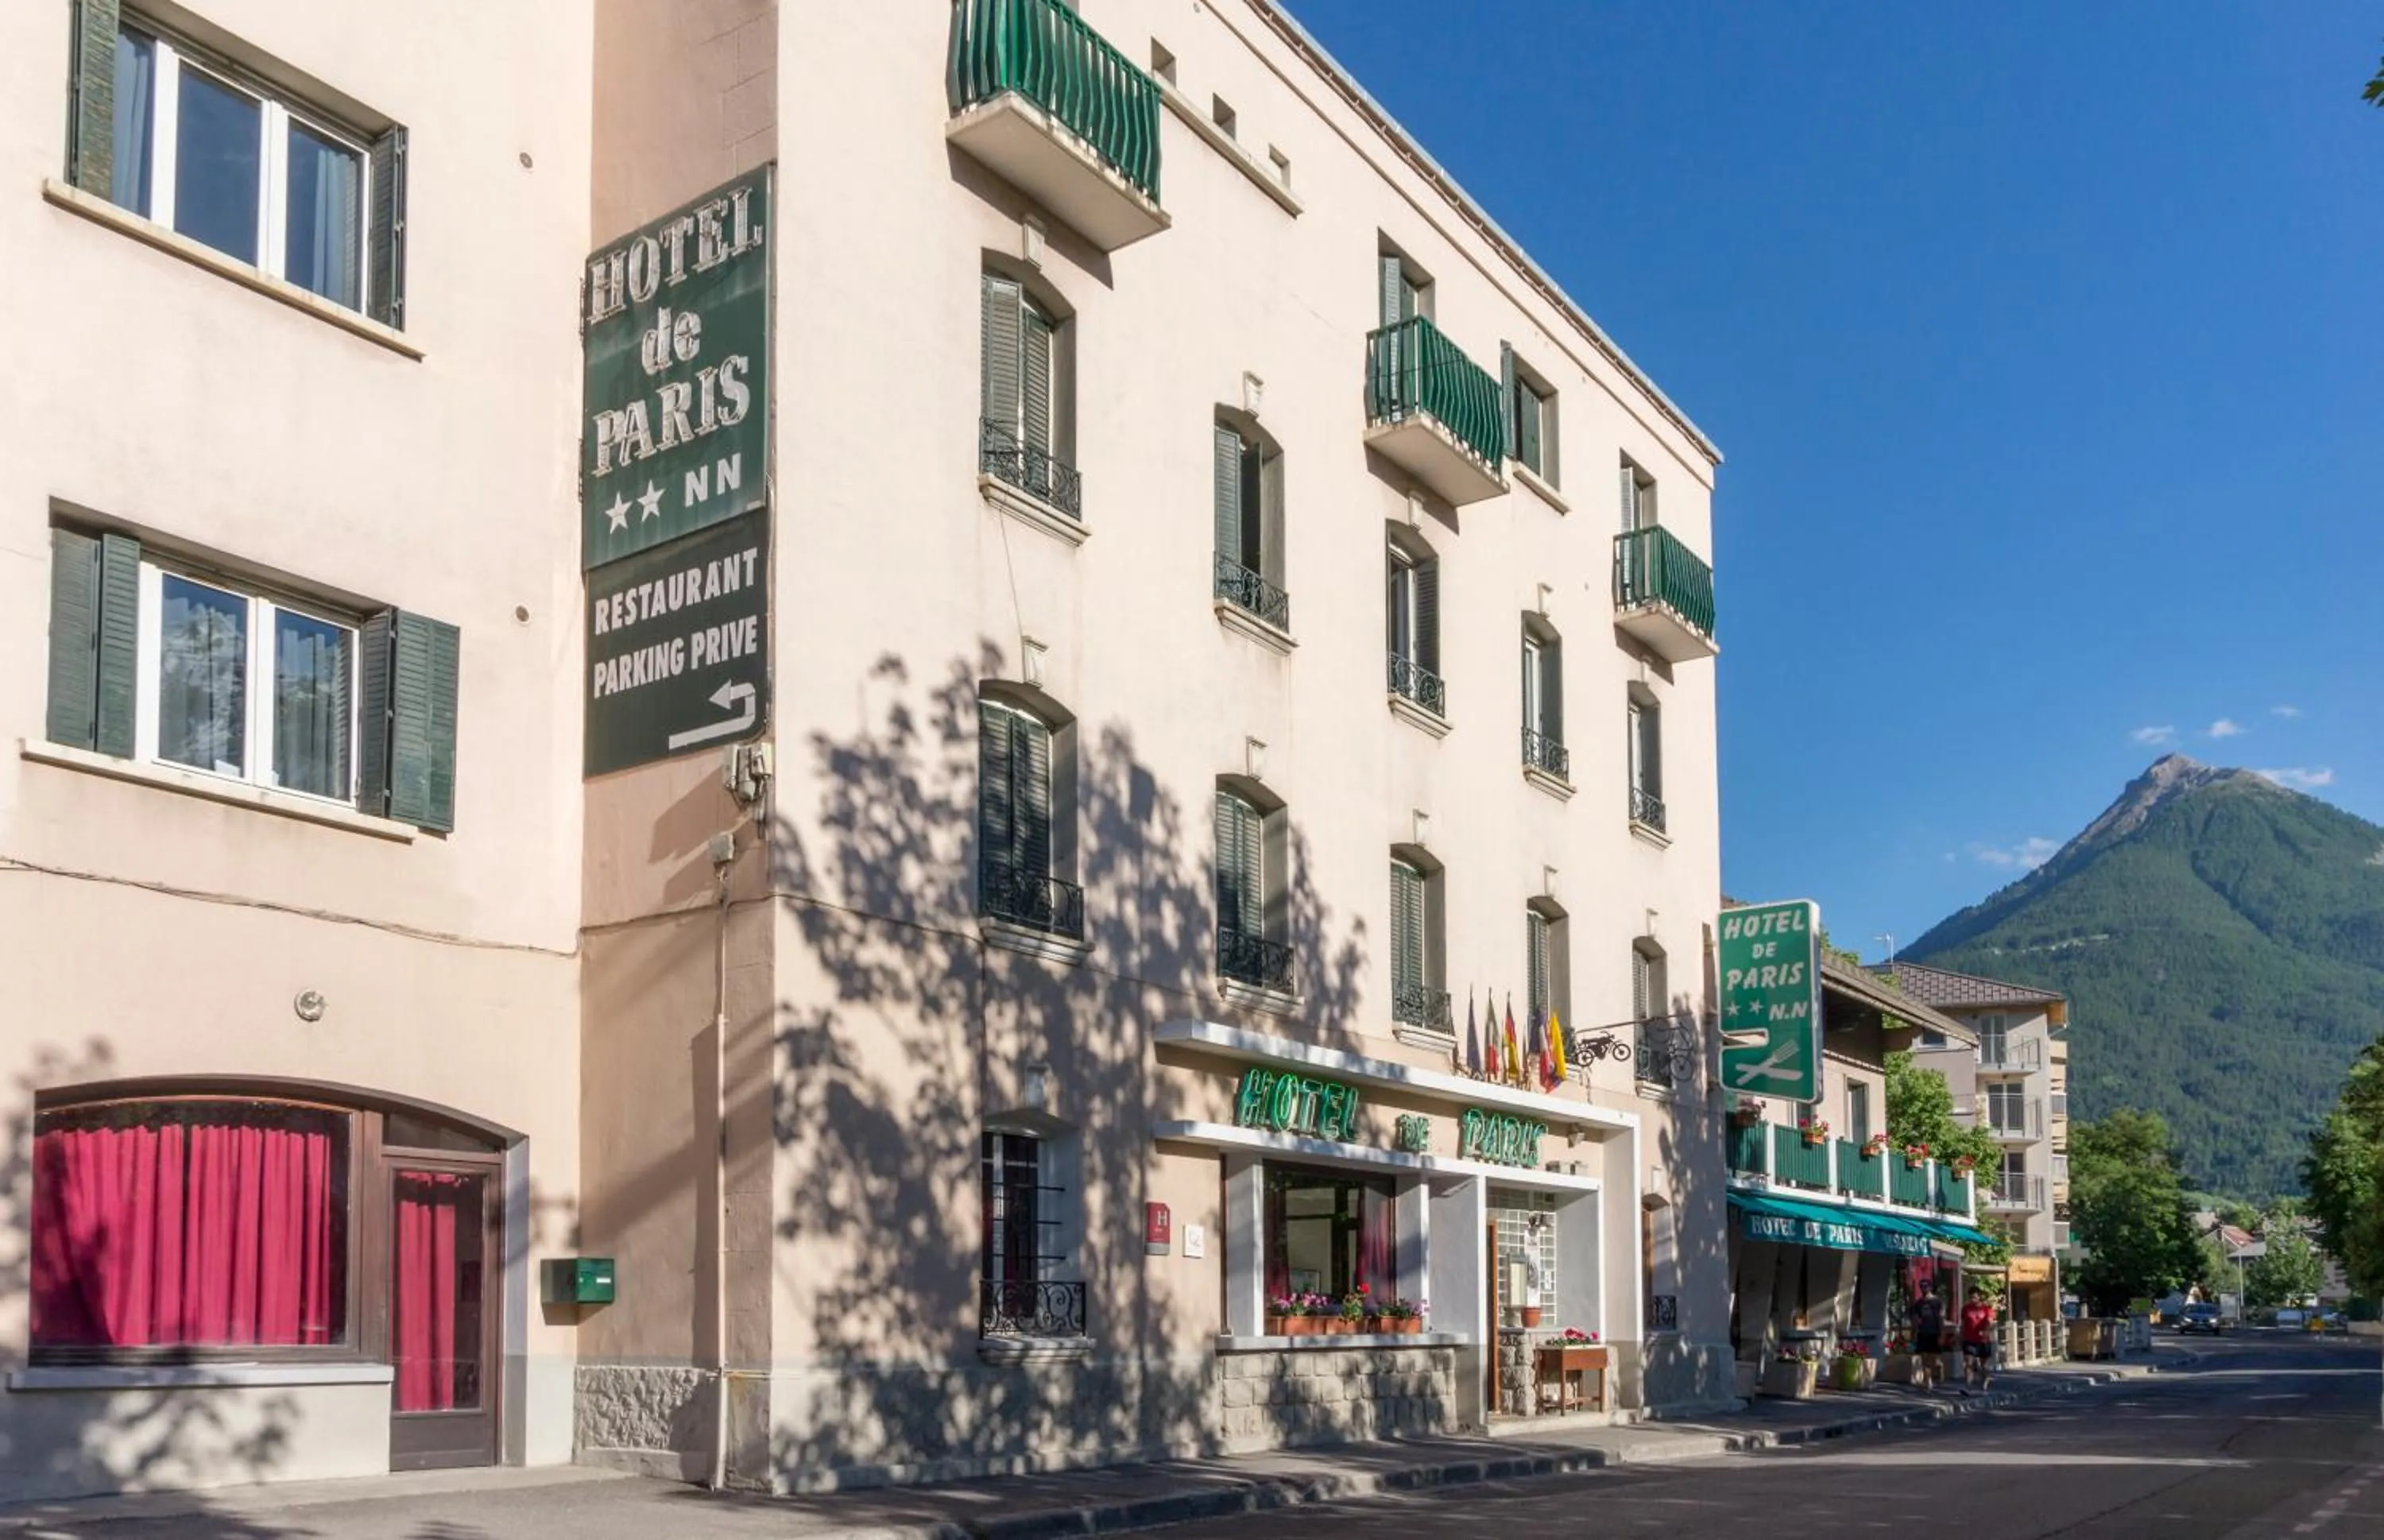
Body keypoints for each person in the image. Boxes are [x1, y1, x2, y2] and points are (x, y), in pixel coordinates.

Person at [1960, 1287, 1998, 1392]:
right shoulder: (1966, 1308)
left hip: (1983, 1341)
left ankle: (1985, 1384)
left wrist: (1986, 1330)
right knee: (1969, 1363)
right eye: (1971, 1297)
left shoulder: (1986, 1309)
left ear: (1979, 1297)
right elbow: (1963, 1324)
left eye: (1975, 1297)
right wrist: (1960, 1336)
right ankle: (1968, 1387)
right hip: (1969, 1339)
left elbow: (1990, 1322)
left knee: (1984, 1366)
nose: (1973, 1299)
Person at [1913, 1288, 1949, 1389]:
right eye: (1922, 1287)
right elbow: (1916, 1318)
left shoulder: (1938, 1302)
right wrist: (1915, 1332)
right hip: (1923, 1333)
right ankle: (1928, 1382)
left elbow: (1941, 1318)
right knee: (1924, 1358)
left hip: (1935, 1333)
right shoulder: (1918, 1303)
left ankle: (1940, 1368)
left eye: (1926, 1287)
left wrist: (1942, 1334)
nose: (1924, 1290)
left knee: (1935, 1361)